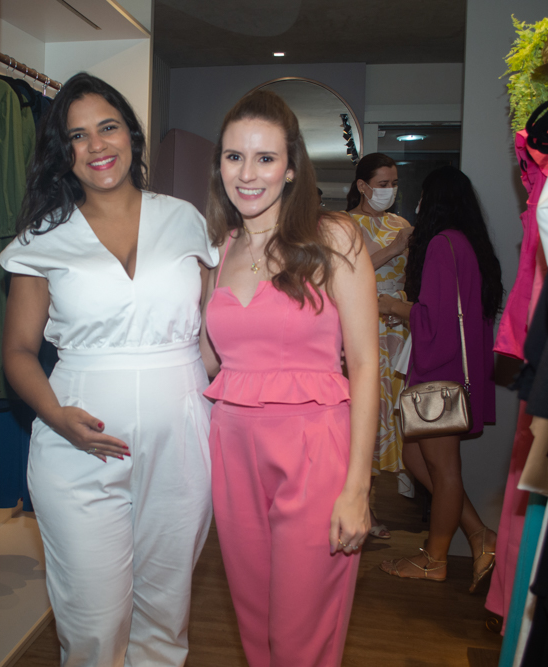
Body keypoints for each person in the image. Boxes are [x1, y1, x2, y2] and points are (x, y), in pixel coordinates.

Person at [0, 73, 218, 666]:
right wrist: (55, 417)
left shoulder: (185, 219)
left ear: (131, 135)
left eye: (108, 127)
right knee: (93, 621)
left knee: (165, 613)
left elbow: (214, 330)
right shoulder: (43, 238)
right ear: (62, 153)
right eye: (77, 136)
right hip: (78, 444)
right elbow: (17, 351)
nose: (96, 145)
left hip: (182, 440)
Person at [200, 90, 377, 666]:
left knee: (301, 640)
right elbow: (206, 360)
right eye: (234, 157)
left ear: (292, 167)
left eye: (265, 158)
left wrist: (358, 488)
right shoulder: (219, 249)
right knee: (256, 632)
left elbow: (366, 365)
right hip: (232, 454)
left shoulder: (335, 237)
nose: (247, 174)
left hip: (313, 453)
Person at [377, 165, 502, 592]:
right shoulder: (467, 244)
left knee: (444, 470)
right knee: (416, 459)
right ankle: (481, 535)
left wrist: (393, 306)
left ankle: (435, 559)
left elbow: (435, 319)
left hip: (439, 374)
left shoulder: (441, 245)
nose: (416, 204)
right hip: (449, 372)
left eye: (422, 197)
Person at [345, 152, 413, 539]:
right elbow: (346, 273)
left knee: (396, 408)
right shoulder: (343, 224)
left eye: (394, 183)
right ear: (363, 186)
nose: (390, 190)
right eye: (383, 184)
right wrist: (395, 248)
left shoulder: (401, 224)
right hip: (361, 323)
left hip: (397, 326)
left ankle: (393, 489)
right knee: (363, 409)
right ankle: (362, 506)